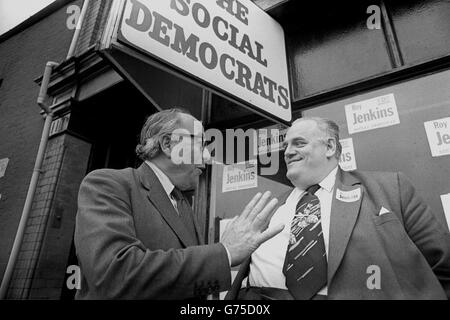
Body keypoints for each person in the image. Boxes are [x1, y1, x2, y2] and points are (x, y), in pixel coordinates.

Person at [227, 117, 450, 300]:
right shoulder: (270, 209)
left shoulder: (390, 188)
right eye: (286, 145)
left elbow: (442, 267)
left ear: (330, 147)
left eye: (299, 143)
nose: (287, 152)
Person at [74, 108, 284, 299]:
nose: (207, 156)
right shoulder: (107, 184)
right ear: (168, 144)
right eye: (201, 143)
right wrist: (226, 252)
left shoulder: (183, 204)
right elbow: (114, 276)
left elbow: (190, 283)